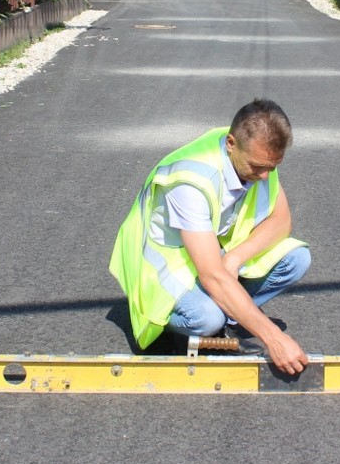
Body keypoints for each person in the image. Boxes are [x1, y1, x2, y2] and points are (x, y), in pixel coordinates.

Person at [109, 99, 312, 375]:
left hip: (211, 251)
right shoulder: (190, 179)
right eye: (258, 167)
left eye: (272, 167)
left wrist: (234, 259)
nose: (265, 176)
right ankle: (186, 328)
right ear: (231, 143)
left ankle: (230, 313)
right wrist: (273, 338)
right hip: (164, 266)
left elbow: (281, 221)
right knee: (206, 318)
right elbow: (211, 275)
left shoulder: (255, 154)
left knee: (296, 258)